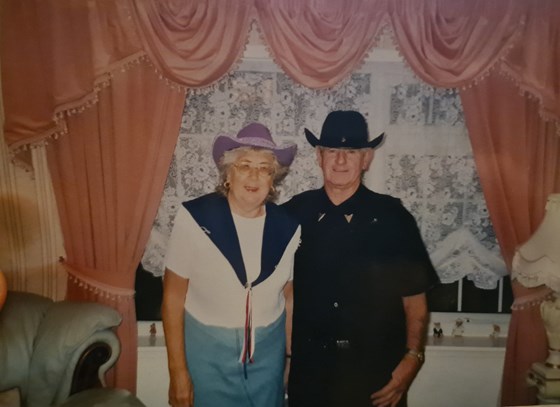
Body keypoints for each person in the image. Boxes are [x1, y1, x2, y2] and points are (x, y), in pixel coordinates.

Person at [284, 110, 439, 407]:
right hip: (311, 374)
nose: (340, 161)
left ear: (366, 159)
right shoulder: (293, 213)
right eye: (332, 151)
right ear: (319, 156)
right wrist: (287, 357)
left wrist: (412, 358)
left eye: (351, 152)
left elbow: (415, 299)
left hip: (374, 374)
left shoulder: (394, 217)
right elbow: (280, 290)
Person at [162, 123, 300, 407]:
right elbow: (173, 298)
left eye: (264, 168)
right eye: (244, 165)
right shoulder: (195, 217)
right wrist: (177, 373)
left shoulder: (288, 226)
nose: (254, 175)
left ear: (273, 179)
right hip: (206, 357)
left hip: (268, 358)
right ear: (228, 173)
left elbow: (288, 296)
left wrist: (289, 358)